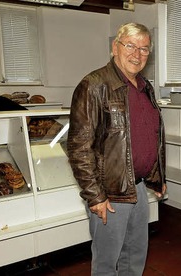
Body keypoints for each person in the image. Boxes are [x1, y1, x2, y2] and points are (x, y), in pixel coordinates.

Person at [66, 23, 166, 276]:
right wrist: (95, 196)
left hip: (139, 187)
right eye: (130, 46)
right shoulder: (94, 85)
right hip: (109, 194)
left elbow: (150, 134)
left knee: (135, 256)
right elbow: (79, 147)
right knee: (107, 263)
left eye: (144, 49)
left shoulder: (145, 87)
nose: (137, 54)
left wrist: (156, 176)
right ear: (115, 48)